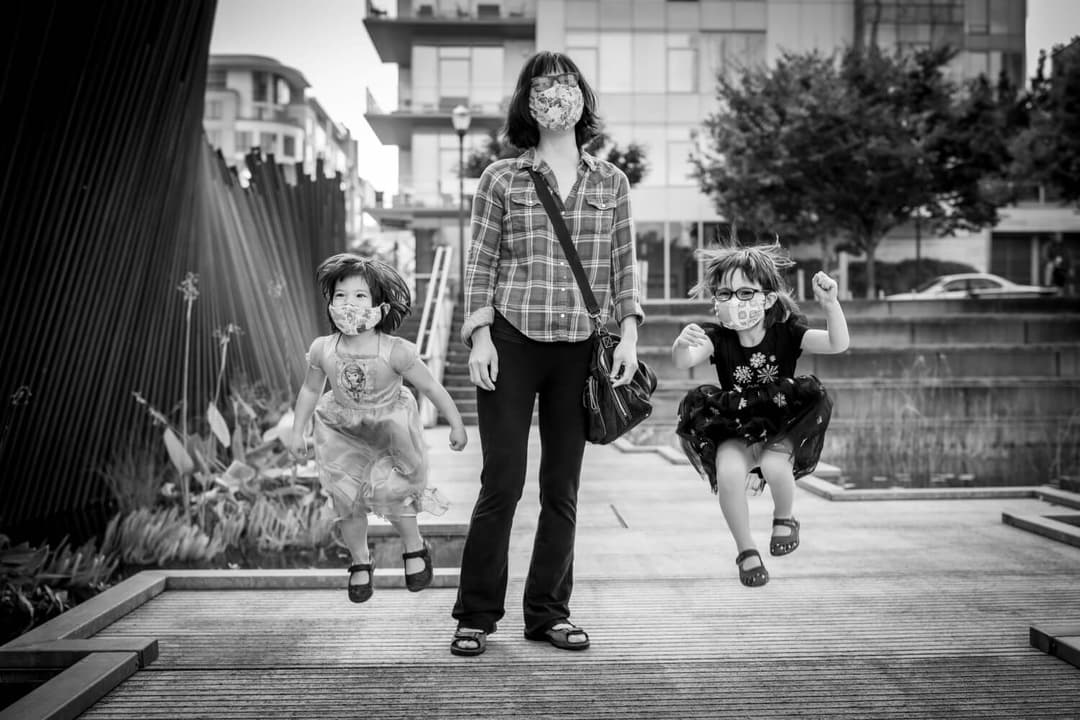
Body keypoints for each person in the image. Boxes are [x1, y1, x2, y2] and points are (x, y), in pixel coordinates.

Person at [449, 51, 643, 657]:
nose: (556, 96)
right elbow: (479, 261)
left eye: (566, 86)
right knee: (500, 480)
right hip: (509, 342)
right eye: (543, 87)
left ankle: (548, 614)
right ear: (527, 102)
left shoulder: (611, 182)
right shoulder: (501, 178)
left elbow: (623, 267)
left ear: (582, 98)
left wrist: (630, 333)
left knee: (562, 486)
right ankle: (476, 615)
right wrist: (478, 335)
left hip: (579, 351)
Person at [289, 253, 468, 603]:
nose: (348, 304)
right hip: (341, 432)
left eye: (360, 296)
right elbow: (311, 389)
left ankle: (414, 546)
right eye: (340, 295)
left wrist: (456, 423)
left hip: (389, 431)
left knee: (394, 492)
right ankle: (360, 559)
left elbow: (431, 387)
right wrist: (298, 430)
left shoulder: (395, 352)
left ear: (379, 307)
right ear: (329, 303)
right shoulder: (322, 349)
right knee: (346, 500)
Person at [671, 243, 849, 588]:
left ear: (767, 299)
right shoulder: (717, 338)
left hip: (783, 419)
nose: (734, 300)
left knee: (772, 465)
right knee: (729, 473)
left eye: (745, 292)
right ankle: (746, 550)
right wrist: (681, 343)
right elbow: (685, 361)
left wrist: (831, 305)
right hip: (734, 420)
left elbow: (836, 344)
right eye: (725, 293)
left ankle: (785, 517)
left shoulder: (787, 333)